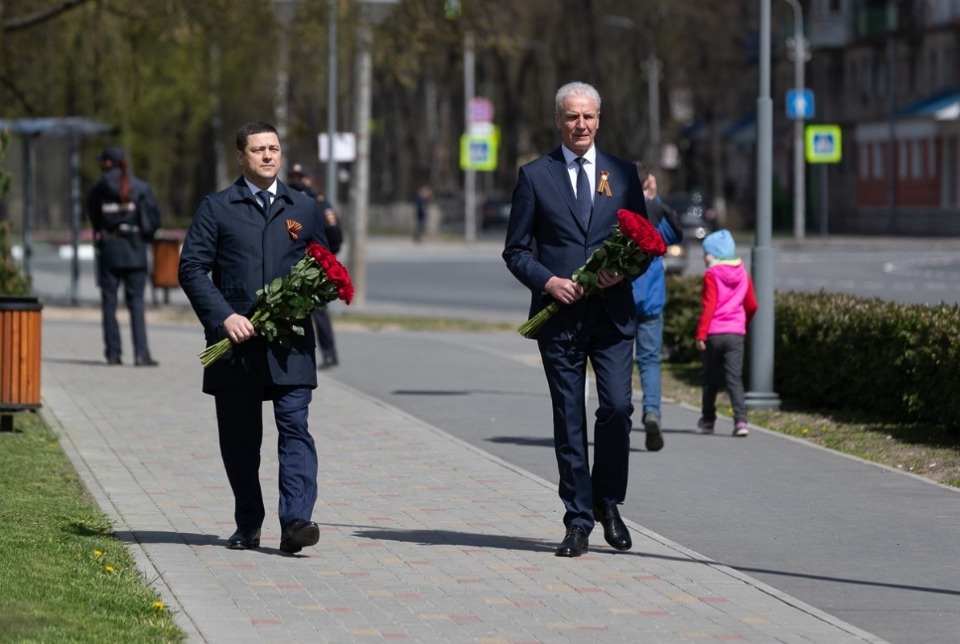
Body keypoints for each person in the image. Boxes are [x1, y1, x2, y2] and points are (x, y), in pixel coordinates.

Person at [503, 81, 648, 557]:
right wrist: (548, 281)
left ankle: (608, 502)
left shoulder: (622, 174)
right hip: (560, 318)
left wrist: (621, 271)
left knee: (617, 409)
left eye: (588, 116)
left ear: (599, 120)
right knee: (568, 419)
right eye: (572, 116)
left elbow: (644, 244)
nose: (580, 125)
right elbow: (515, 250)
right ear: (558, 120)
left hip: (612, 315)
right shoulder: (534, 176)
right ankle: (578, 521)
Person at [178, 121, 330, 555]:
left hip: (291, 345)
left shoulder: (304, 207)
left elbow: (323, 264)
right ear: (240, 157)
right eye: (258, 149)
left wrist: (313, 294)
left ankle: (296, 521)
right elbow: (191, 268)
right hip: (236, 347)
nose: (267, 155)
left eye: (274, 149)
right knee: (240, 442)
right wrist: (224, 317)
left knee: (295, 429)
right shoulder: (217, 207)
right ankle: (248, 523)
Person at [86, 146, 161, 366]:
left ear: (108, 163)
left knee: (109, 304)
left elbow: (93, 217)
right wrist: (143, 236)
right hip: (135, 250)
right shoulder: (140, 187)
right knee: (136, 303)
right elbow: (153, 220)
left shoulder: (98, 189)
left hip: (109, 249)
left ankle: (113, 354)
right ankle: (141, 354)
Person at [631, 163, 683, 452]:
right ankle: (652, 412)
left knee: (618, 361)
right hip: (651, 301)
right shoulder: (656, 212)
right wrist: (654, 199)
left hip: (622, 300)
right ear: (647, 183)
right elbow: (674, 234)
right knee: (649, 361)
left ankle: (619, 416)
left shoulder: (618, 212)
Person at [695, 229, 757, 437]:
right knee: (734, 379)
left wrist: (701, 335)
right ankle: (740, 421)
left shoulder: (711, 275)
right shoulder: (743, 274)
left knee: (710, 379)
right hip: (735, 334)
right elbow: (752, 305)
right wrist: (743, 324)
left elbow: (709, 306)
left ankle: (708, 420)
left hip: (714, 334)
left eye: (706, 253)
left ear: (714, 254)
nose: (704, 257)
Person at [288, 164, 343, 369]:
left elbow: (334, 231)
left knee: (318, 310)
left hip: (314, 263)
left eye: (301, 176)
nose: (297, 180)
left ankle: (329, 354)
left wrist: (326, 257)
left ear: (310, 179)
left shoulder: (317, 201)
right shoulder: (285, 199)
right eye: (293, 176)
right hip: (291, 264)